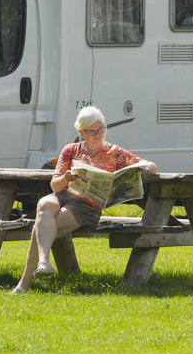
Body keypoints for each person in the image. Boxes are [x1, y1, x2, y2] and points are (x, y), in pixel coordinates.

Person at [11, 105, 158, 293]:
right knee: (45, 203)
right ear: (81, 131)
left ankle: (27, 281)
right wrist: (67, 178)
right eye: (91, 131)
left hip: (87, 205)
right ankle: (42, 263)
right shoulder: (71, 150)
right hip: (63, 195)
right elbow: (55, 186)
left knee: (42, 226)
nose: (97, 134)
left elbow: (152, 166)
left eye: (101, 129)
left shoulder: (115, 153)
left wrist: (143, 168)